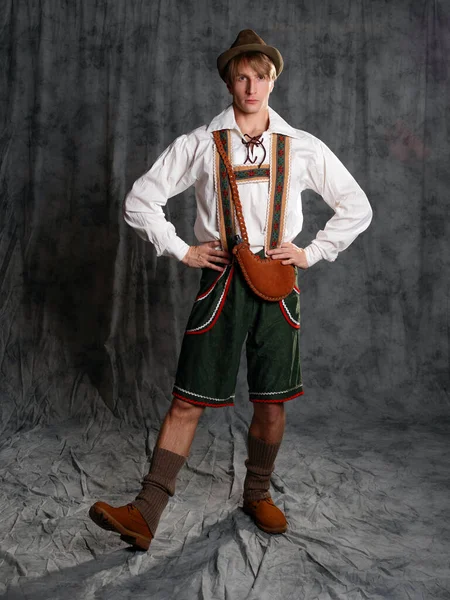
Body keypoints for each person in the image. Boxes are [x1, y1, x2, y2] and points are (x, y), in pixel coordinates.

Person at [89, 29, 372, 551]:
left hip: (278, 285)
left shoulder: (302, 147)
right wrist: (182, 249)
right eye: (241, 77)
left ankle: (257, 493)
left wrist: (310, 252)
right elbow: (140, 201)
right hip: (220, 281)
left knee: (270, 402)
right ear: (228, 81)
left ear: (272, 80)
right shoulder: (200, 144)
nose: (251, 87)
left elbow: (358, 207)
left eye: (260, 76)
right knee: (187, 400)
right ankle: (146, 513)